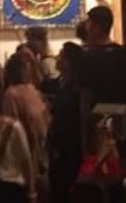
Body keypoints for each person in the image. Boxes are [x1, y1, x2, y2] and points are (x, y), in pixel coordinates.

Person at [77, 5, 126, 148]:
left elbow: (85, 96)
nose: (87, 27)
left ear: (96, 27)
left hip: (98, 118)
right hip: (124, 115)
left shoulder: (87, 58)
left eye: (89, 22)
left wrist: (84, 134)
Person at [2, 54, 49, 194]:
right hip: (25, 150)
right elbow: (11, 125)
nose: (29, 69)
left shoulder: (32, 89)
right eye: (25, 66)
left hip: (42, 148)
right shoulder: (12, 94)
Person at [48, 42, 83, 203]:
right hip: (58, 143)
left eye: (61, 55)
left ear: (68, 62)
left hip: (68, 145)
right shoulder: (61, 83)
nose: (57, 57)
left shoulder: (74, 89)